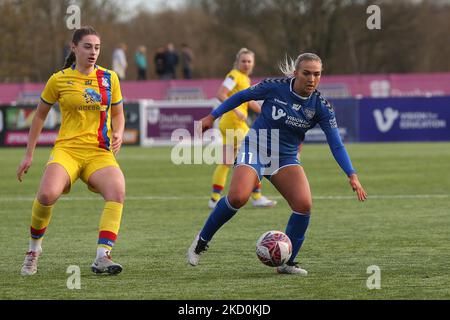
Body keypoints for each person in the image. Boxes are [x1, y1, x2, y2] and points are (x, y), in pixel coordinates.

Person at [188, 53, 367, 275]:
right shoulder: (275, 87)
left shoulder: (321, 106)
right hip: (256, 147)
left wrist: (352, 174)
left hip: (286, 157)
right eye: (307, 73)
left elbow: (336, 144)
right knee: (238, 197)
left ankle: (286, 263)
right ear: (296, 73)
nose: (312, 79)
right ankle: (201, 240)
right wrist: (211, 116)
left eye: (317, 74)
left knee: (303, 206)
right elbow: (241, 96)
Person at [17, 26, 126, 276]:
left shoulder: (110, 78)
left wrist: (118, 132)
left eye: (97, 47)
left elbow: (118, 113)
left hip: (99, 152)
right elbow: (39, 117)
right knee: (46, 195)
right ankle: (34, 250)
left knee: (117, 190)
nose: (93, 52)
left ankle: (103, 256)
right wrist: (28, 154)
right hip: (67, 150)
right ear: (74, 48)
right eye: (87, 46)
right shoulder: (59, 79)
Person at [208, 48, 276, 209]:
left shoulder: (244, 78)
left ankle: (214, 199)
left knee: (227, 162)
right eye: (243, 61)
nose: (246, 64)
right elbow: (221, 94)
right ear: (237, 62)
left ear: (253, 64)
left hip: (231, 123)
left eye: (249, 61)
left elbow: (250, 101)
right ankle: (257, 196)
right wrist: (236, 109)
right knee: (255, 155)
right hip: (233, 122)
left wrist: (266, 112)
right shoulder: (233, 75)